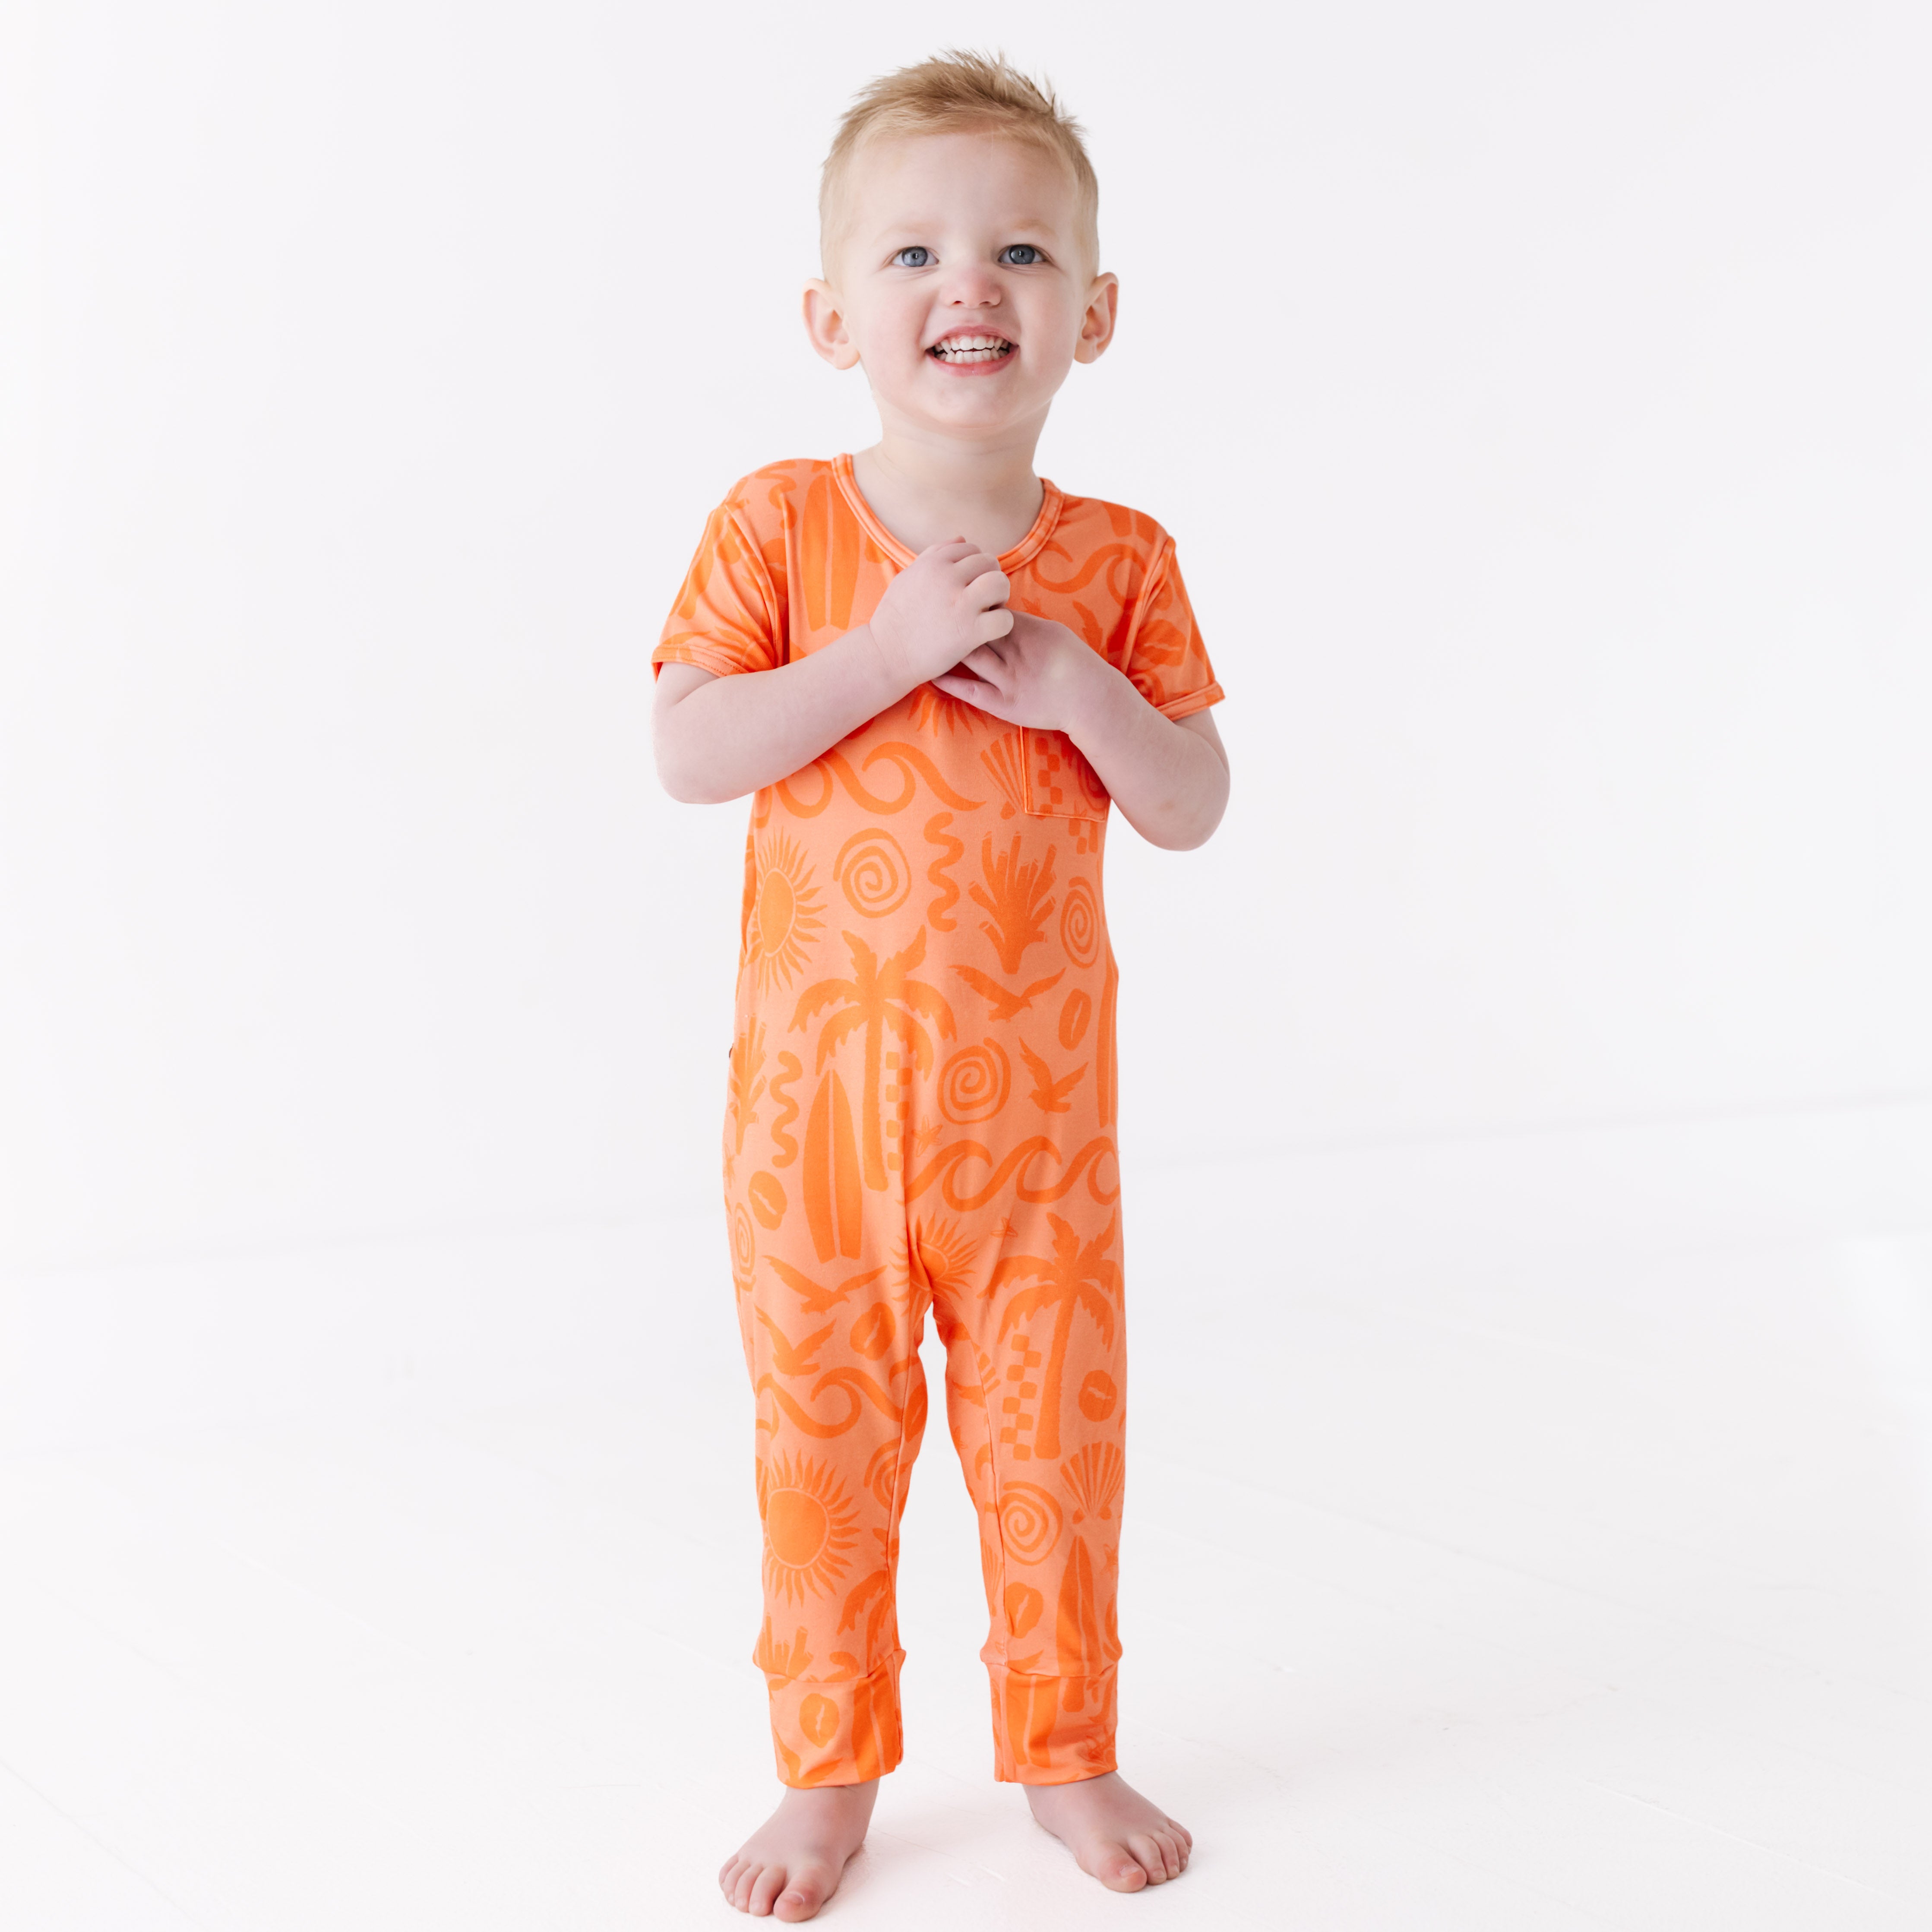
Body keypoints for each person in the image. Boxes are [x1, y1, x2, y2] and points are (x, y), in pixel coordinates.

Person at [651, 48, 1230, 1922]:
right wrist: (889, 651)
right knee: (823, 1447)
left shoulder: (1122, 567)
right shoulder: (776, 528)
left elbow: (1196, 802)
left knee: (1053, 1439)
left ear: (1096, 311)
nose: (966, 286)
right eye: (909, 254)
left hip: (1036, 1142)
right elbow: (690, 748)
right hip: (813, 1134)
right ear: (832, 316)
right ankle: (829, 1771)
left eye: (1020, 254)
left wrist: (1087, 693)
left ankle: (1065, 1747)